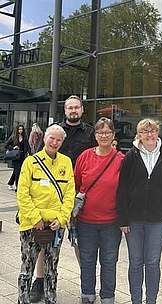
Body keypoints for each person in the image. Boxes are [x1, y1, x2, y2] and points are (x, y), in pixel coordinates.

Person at [30, 95, 96, 303]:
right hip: (51, 198)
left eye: (77, 107)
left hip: (79, 198)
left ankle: (87, 286)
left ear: (82, 109)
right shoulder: (55, 131)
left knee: (80, 243)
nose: (73, 110)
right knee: (44, 241)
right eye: (70, 107)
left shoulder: (90, 133)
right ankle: (39, 282)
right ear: (65, 110)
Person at [117, 118, 162, 304]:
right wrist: (123, 219)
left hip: (158, 220)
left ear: (158, 133)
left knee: (152, 263)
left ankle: (151, 300)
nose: (150, 134)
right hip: (133, 220)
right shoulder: (130, 157)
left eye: (153, 131)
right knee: (136, 263)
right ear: (139, 135)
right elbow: (122, 189)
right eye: (145, 131)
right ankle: (136, 300)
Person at [17, 124, 75, 304]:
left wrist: (62, 218)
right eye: (52, 138)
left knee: (52, 269)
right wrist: (35, 218)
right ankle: (23, 299)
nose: (55, 142)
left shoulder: (66, 162)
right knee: (27, 267)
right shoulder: (31, 162)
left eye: (59, 140)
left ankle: (51, 299)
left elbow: (69, 194)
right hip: (31, 224)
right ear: (44, 138)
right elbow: (23, 194)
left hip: (55, 226)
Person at [74, 117, 124, 304]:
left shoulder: (121, 159)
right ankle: (87, 293)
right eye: (100, 132)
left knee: (109, 261)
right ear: (94, 135)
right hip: (86, 220)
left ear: (113, 135)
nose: (104, 136)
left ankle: (108, 296)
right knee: (87, 260)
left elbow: (126, 191)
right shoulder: (84, 157)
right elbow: (77, 184)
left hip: (111, 221)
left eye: (107, 132)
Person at [5, 124, 30, 191]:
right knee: (18, 172)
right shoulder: (13, 137)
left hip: (22, 157)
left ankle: (10, 183)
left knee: (16, 171)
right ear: (17, 130)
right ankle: (18, 187)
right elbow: (6, 145)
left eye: (21, 129)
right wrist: (13, 147)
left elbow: (27, 146)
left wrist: (28, 153)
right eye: (19, 129)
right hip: (16, 157)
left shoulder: (24, 137)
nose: (20, 131)